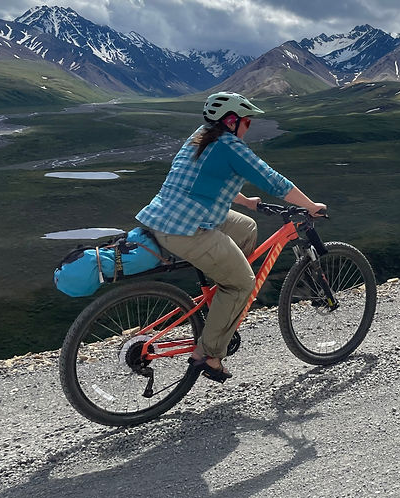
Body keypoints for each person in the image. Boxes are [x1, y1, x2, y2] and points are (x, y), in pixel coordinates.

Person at [136, 91, 325, 383]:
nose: (248, 127)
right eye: (247, 122)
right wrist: (310, 206)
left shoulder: (201, 136)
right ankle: (209, 355)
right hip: (187, 229)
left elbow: (207, 179)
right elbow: (274, 181)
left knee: (246, 227)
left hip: (165, 217)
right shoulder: (230, 147)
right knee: (242, 283)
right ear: (231, 121)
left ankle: (222, 308)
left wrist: (245, 201)